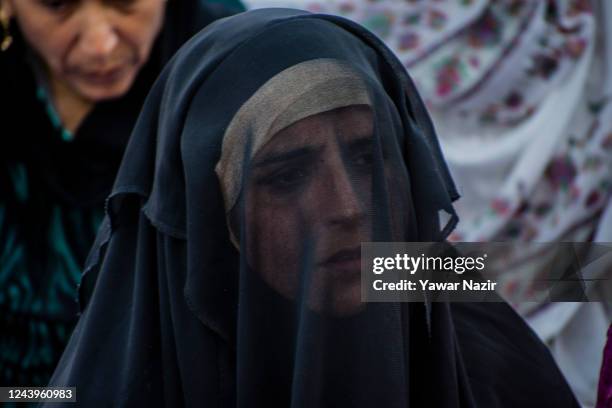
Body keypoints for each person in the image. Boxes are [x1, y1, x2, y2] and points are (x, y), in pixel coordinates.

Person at [46, 9, 578, 406]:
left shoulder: (402, 273)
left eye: (370, 159)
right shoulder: (142, 356)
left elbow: (556, 272)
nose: (347, 207)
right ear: (211, 212)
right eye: (287, 176)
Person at [0, 0, 240, 388]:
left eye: (125, 2)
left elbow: (366, 260)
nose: (101, 45)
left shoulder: (243, 71)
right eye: (57, 6)